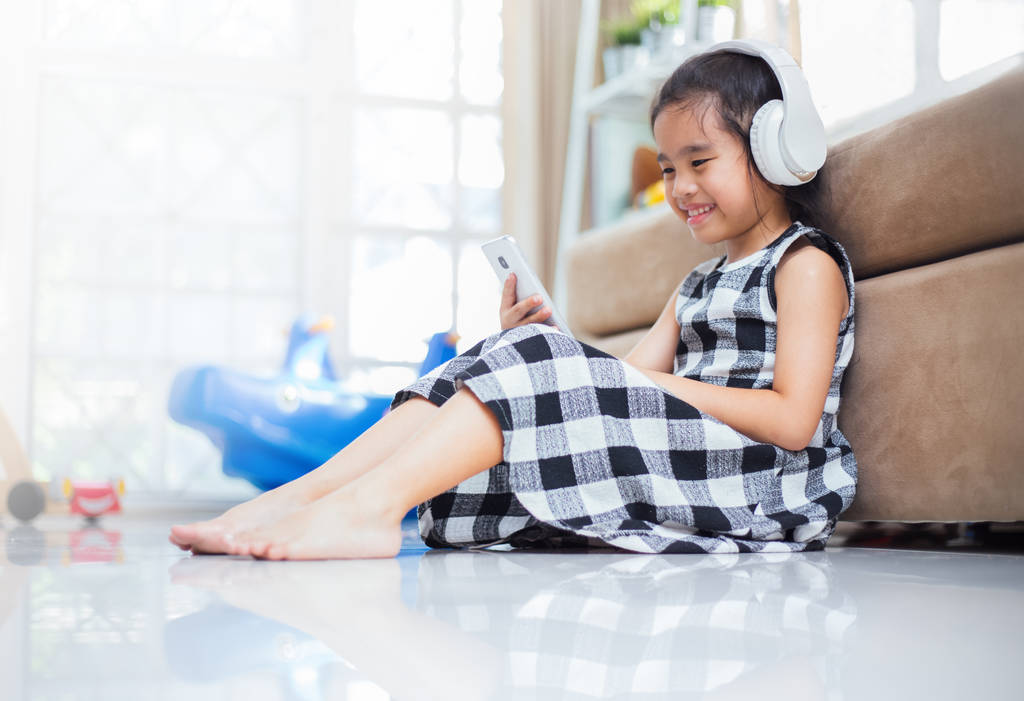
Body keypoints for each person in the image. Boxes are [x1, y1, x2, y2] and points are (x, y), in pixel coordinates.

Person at [169, 41, 856, 560]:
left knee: (529, 360)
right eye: (669, 167)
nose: (679, 187)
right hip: (689, 454)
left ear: (775, 149)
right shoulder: (697, 284)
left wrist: (578, 369)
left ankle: (370, 509)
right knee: (494, 354)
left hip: (763, 480)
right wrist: (546, 354)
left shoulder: (804, 264)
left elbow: (794, 421)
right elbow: (631, 377)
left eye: (698, 162)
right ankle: (297, 499)